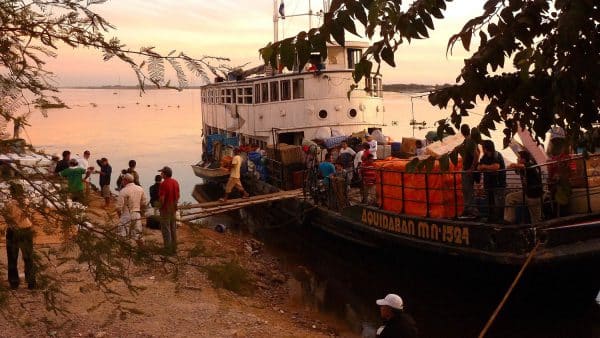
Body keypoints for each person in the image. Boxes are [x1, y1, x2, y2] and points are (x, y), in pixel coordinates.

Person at [1, 183, 36, 290]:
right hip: (26, 229)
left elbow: (7, 218)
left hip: (13, 231)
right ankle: (31, 282)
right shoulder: (27, 201)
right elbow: (30, 215)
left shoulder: (9, 204)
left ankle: (14, 283)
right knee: (28, 257)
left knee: (12, 258)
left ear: (12, 192)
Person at [504, 151, 543, 224]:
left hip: (534, 196)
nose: (517, 159)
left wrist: (513, 165)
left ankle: (538, 231)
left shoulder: (530, 165)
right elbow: (515, 168)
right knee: (510, 197)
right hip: (526, 193)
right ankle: (509, 220)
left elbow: (519, 166)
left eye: (518, 158)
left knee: (536, 219)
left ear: (523, 160)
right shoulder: (522, 167)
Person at [478, 140, 506, 222]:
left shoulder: (496, 155)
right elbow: (479, 167)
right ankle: (491, 219)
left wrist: (485, 167)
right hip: (489, 184)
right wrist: (486, 167)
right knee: (490, 203)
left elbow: (496, 167)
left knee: (498, 204)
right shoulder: (484, 157)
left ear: (486, 148)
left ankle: (500, 220)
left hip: (498, 184)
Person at [115, 174, 148, 244]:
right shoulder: (140, 189)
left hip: (126, 214)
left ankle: (123, 253)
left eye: (123, 180)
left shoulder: (123, 191)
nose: (122, 182)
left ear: (125, 181)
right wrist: (141, 212)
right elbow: (144, 203)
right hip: (137, 213)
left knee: (122, 235)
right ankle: (142, 252)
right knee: (138, 235)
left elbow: (118, 208)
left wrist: (120, 216)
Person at [458, 124, 480, 217]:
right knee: (466, 190)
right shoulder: (468, 140)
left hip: (468, 169)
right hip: (467, 168)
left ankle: (471, 210)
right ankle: (468, 209)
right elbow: (478, 151)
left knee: (468, 190)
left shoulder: (470, 141)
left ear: (462, 132)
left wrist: (472, 168)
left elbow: (476, 154)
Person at [158, 166, 180, 253]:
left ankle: (168, 249)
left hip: (166, 209)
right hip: (173, 208)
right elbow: (178, 196)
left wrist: (160, 207)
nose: (161, 174)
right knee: (173, 228)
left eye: (162, 173)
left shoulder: (164, 184)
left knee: (166, 229)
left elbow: (162, 198)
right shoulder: (175, 182)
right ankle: (174, 248)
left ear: (165, 174)